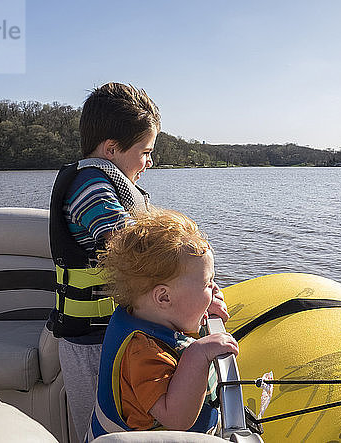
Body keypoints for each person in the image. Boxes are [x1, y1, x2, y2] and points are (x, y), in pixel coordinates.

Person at [46, 83, 228, 442]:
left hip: (115, 330)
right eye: (145, 151)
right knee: (102, 431)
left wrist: (196, 291)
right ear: (111, 148)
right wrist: (192, 284)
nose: (149, 161)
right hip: (89, 342)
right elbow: (135, 250)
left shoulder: (107, 183)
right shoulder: (90, 188)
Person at [85, 208, 238, 441]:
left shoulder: (143, 312)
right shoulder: (142, 352)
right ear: (164, 298)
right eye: (208, 283)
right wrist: (197, 353)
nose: (216, 290)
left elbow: (178, 315)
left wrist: (199, 306)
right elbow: (177, 419)